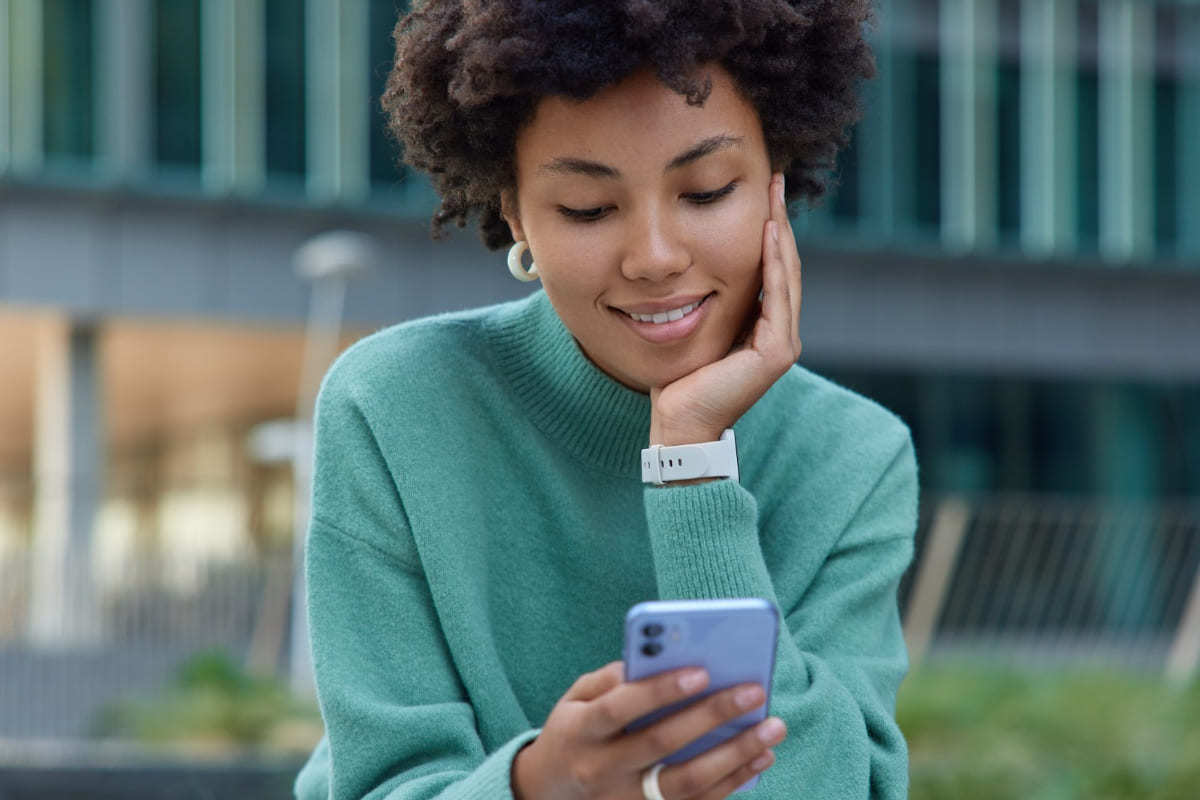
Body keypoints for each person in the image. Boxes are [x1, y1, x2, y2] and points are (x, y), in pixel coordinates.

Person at [294, 1, 918, 799]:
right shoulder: (393, 407)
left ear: (775, 184)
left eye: (706, 191)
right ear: (514, 211)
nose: (655, 257)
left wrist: (692, 463)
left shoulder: (855, 458)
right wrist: (541, 785)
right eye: (587, 209)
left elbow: (839, 786)